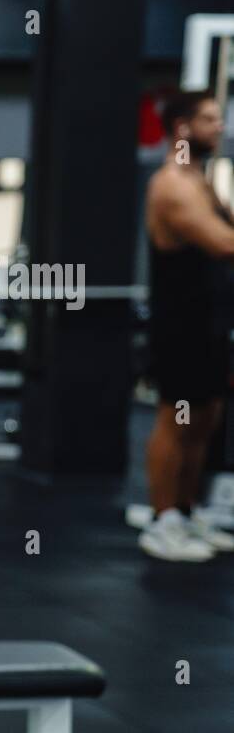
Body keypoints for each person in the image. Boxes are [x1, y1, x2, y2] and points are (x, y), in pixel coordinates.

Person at [139, 91, 234, 562]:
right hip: (181, 325)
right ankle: (162, 521)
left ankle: (187, 508)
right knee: (175, 421)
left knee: (205, 419)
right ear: (182, 128)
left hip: (210, 321)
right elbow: (222, 243)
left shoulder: (200, 179)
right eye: (210, 119)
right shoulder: (172, 185)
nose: (220, 127)